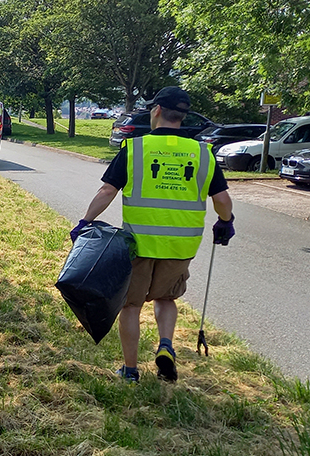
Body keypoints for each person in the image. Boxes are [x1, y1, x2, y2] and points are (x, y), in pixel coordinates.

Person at [71, 86, 234, 383]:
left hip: (140, 243)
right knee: (166, 298)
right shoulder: (203, 153)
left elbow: (107, 190)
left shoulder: (135, 148)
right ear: (182, 117)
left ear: (156, 111)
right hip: (180, 246)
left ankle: (130, 370)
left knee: (131, 305)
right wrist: (226, 222)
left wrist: (85, 222)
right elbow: (221, 200)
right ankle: (166, 346)